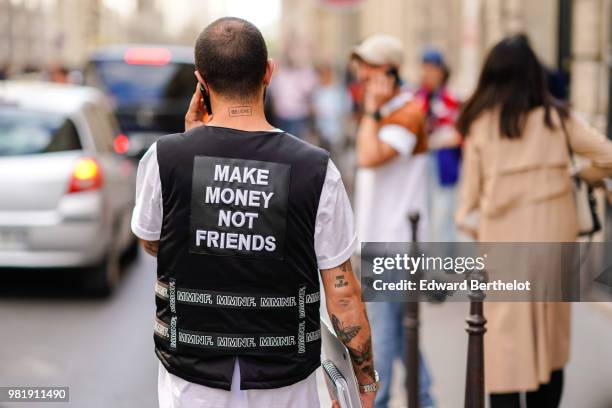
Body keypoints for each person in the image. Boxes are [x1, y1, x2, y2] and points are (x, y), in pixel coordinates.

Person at [131, 17, 377, 408]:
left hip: (192, 383)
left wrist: (193, 143)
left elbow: (151, 242)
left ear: (201, 81)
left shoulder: (165, 157)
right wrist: (364, 384)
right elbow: (343, 296)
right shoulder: (316, 169)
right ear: (269, 72)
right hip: (286, 385)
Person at [455, 34, 612, 408]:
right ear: (533, 75)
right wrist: (579, 175)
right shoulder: (558, 119)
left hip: (505, 253)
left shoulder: (480, 125)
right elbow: (608, 156)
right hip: (555, 250)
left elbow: (468, 207)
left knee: (504, 354)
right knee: (550, 349)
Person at [351, 34, 435, 408]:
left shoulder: (408, 113)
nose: (362, 74)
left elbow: (368, 157)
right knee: (402, 333)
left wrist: (371, 109)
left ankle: (381, 401)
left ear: (389, 72)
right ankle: (426, 398)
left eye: (370, 67)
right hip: (381, 240)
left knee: (383, 335)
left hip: (395, 244)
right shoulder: (388, 111)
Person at [414, 49, 462, 242]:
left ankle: (446, 265)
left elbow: (458, 133)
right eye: (424, 69)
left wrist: (437, 138)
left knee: (445, 214)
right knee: (424, 212)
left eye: (432, 69)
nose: (428, 74)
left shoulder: (451, 97)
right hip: (423, 160)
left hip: (445, 163)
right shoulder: (417, 98)